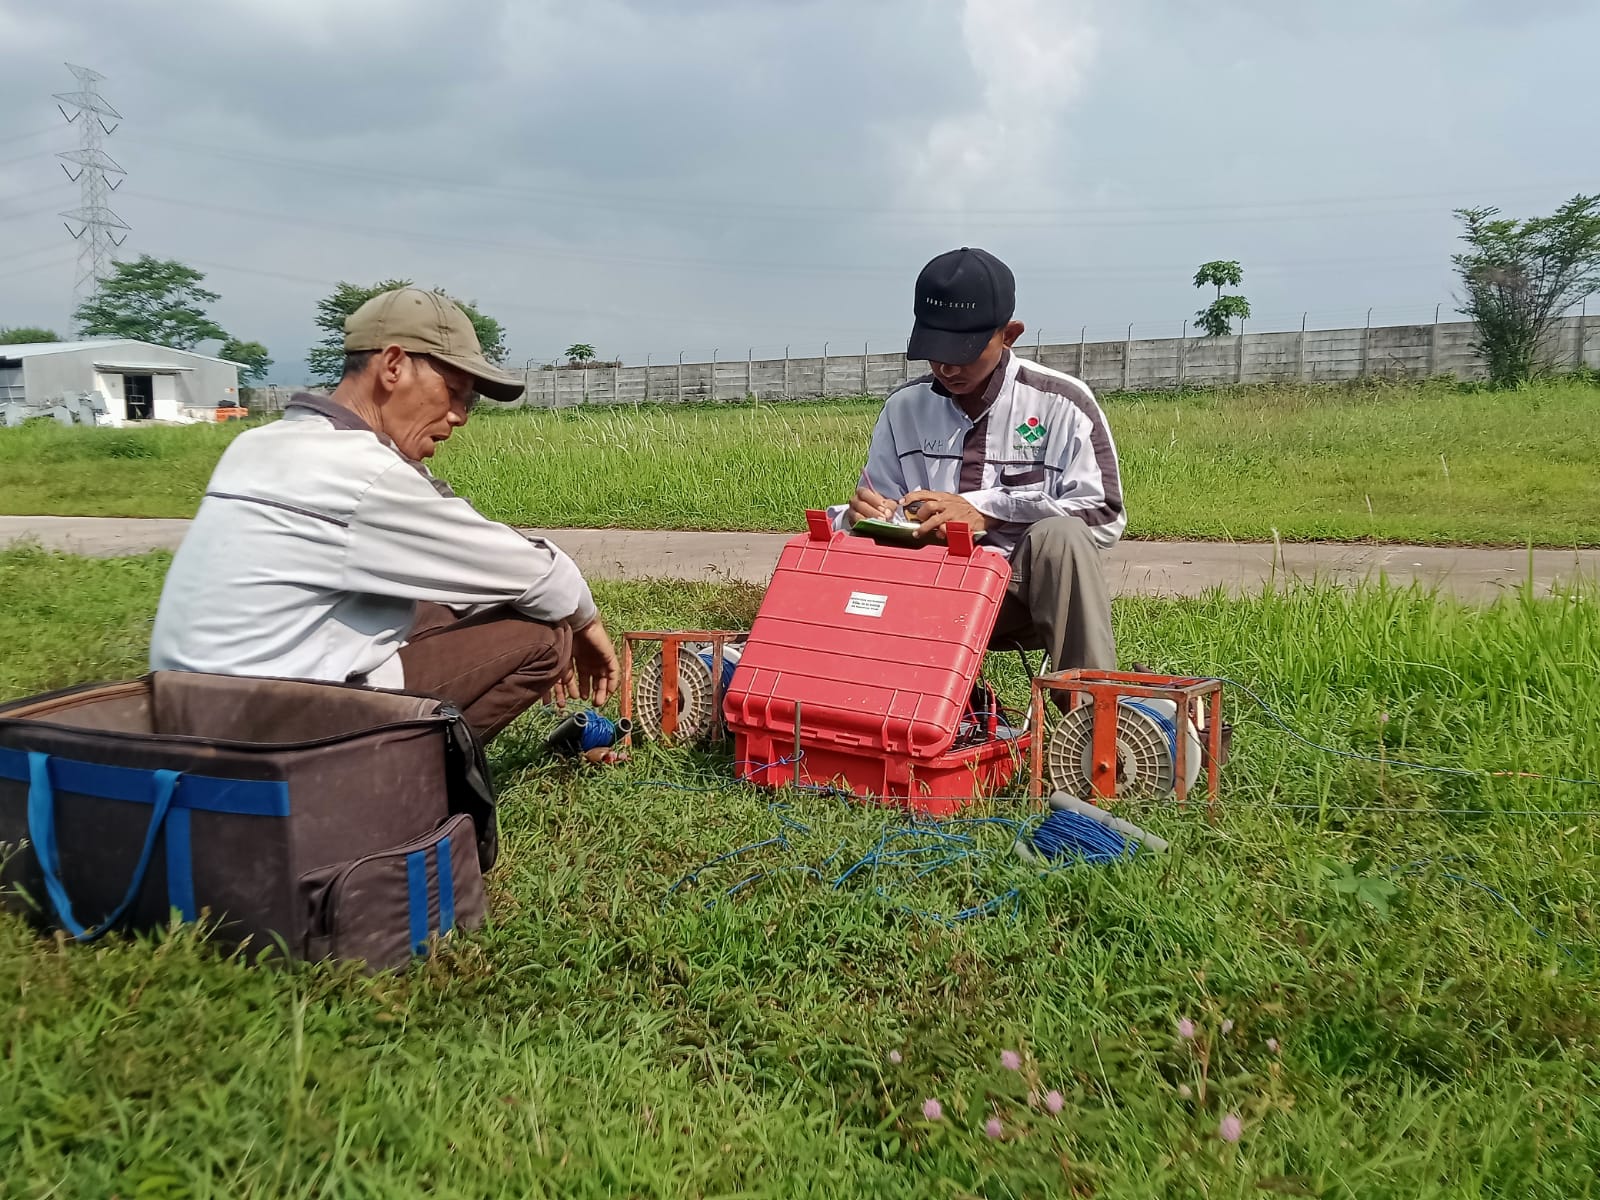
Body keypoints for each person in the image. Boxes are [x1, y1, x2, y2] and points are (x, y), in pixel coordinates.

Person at [149, 287, 618, 742]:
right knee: (544, 633)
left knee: (442, 602)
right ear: (393, 366)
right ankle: (401, 779)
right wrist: (586, 625)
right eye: (455, 392)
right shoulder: (360, 473)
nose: (461, 416)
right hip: (263, 739)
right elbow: (535, 574)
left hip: (188, 714)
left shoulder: (258, 443)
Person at [829, 247, 1123, 677]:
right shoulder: (903, 409)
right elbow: (882, 507)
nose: (947, 366)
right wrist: (860, 515)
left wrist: (988, 512)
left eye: (964, 351)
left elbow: (1104, 517)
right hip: (924, 589)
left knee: (1063, 537)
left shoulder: (1062, 404)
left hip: (1015, 595)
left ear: (1010, 334)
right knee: (830, 543)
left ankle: (1092, 724)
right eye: (935, 349)